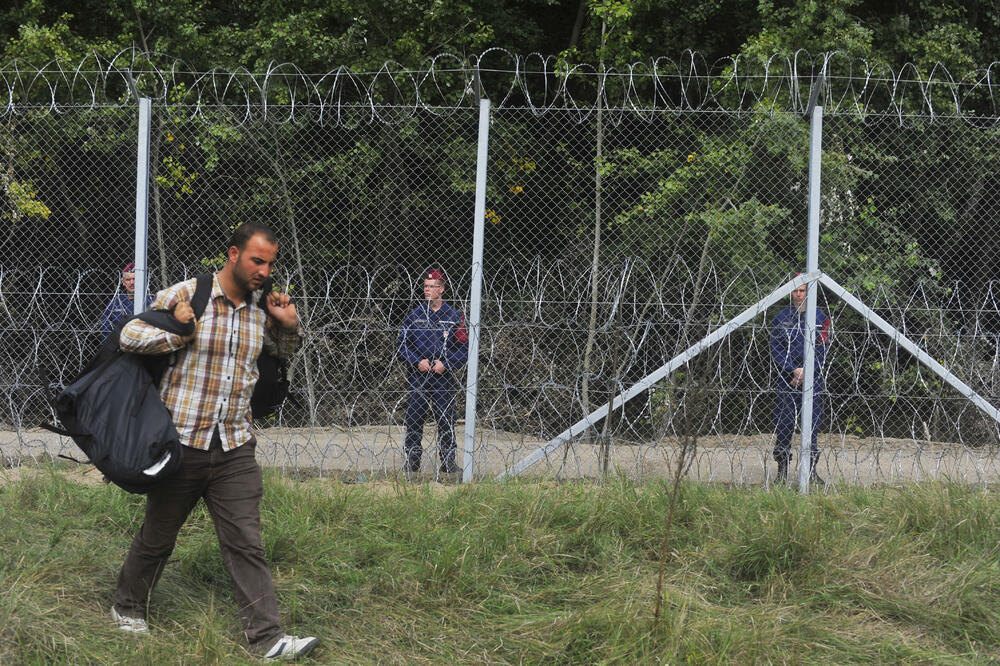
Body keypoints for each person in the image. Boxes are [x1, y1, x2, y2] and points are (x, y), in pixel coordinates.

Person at [109, 222, 318, 661]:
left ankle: (268, 637)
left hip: (235, 443)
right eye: (256, 260)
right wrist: (180, 330)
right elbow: (129, 336)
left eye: (270, 263)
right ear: (233, 254)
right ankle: (127, 607)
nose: (264, 270)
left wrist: (289, 326)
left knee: (246, 540)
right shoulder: (187, 295)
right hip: (183, 440)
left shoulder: (262, 307)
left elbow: (277, 355)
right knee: (159, 535)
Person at [397, 269, 469, 475]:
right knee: (414, 418)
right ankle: (412, 461)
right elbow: (402, 344)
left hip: (442, 377)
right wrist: (416, 360)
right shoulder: (414, 315)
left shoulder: (455, 317)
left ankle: (448, 462)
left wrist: (446, 363)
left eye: (431, 287)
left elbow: (464, 348)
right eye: (425, 287)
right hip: (419, 377)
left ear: (442, 289)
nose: (427, 291)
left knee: (446, 419)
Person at [770, 280, 831, 485]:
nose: (798, 294)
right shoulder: (781, 318)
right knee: (785, 424)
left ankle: (810, 471)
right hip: (787, 380)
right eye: (795, 290)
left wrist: (807, 371)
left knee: (811, 426)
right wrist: (792, 369)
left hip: (813, 380)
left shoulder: (821, 318)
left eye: (802, 290)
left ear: (809, 292)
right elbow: (776, 349)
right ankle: (782, 470)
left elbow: (823, 349)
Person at [99, 262, 153, 338]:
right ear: (123, 282)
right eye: (128, 279)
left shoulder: (149, 302)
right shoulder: (116, 303)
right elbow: (105, 327)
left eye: (135, 279)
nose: (132, 283)